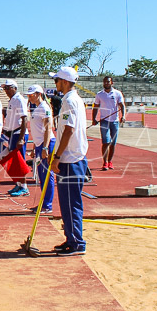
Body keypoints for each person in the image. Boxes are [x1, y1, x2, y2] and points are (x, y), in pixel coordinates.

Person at [50, 65, 89, 256]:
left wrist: (57, 157)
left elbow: (68, 130)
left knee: (71, 203)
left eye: (56, 80)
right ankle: (71, 238)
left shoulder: (70, 101)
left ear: (65, 82)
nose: (55, 83)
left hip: (70, 160)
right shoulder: (73, 100)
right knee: (66, 203)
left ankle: (76, 243)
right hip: (72, 157)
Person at [26, 84, 55, 212]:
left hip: (46, 144)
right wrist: (34, 147)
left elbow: (48, 127)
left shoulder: (44, 107)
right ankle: (44, 203)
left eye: (31, 95)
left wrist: (45, 147)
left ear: (39, 94)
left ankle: (47, 205)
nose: (29, 98)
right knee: (42, 176)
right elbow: (37, 130)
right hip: (40, 144)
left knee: (47, 175)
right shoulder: (37, 108)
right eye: (28, 95)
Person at [1, 80, 30, 196]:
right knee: (13, 161)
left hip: (18, 134)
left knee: (19, 161)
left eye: (7, 88)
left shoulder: (19, 99)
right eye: (5, 89)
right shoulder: (12, 100)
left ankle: (24, 187)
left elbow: (24, 119)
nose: (6, 91)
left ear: (14, 88)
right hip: (12, 133)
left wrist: (21, 138)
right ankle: (18, 184)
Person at [91, 76, 125, 171]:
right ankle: (105, 162)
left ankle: (110, 161)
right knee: (105, 142)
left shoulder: (117, 93)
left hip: (115, 121)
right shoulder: (99, 94)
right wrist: (93, 119)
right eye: (105, 82)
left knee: (113, 143)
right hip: (104, 121)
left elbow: (122, 105)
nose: (106, 83)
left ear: (112, 83)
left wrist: (123, 116)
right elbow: (96, 107)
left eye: (108, 82)